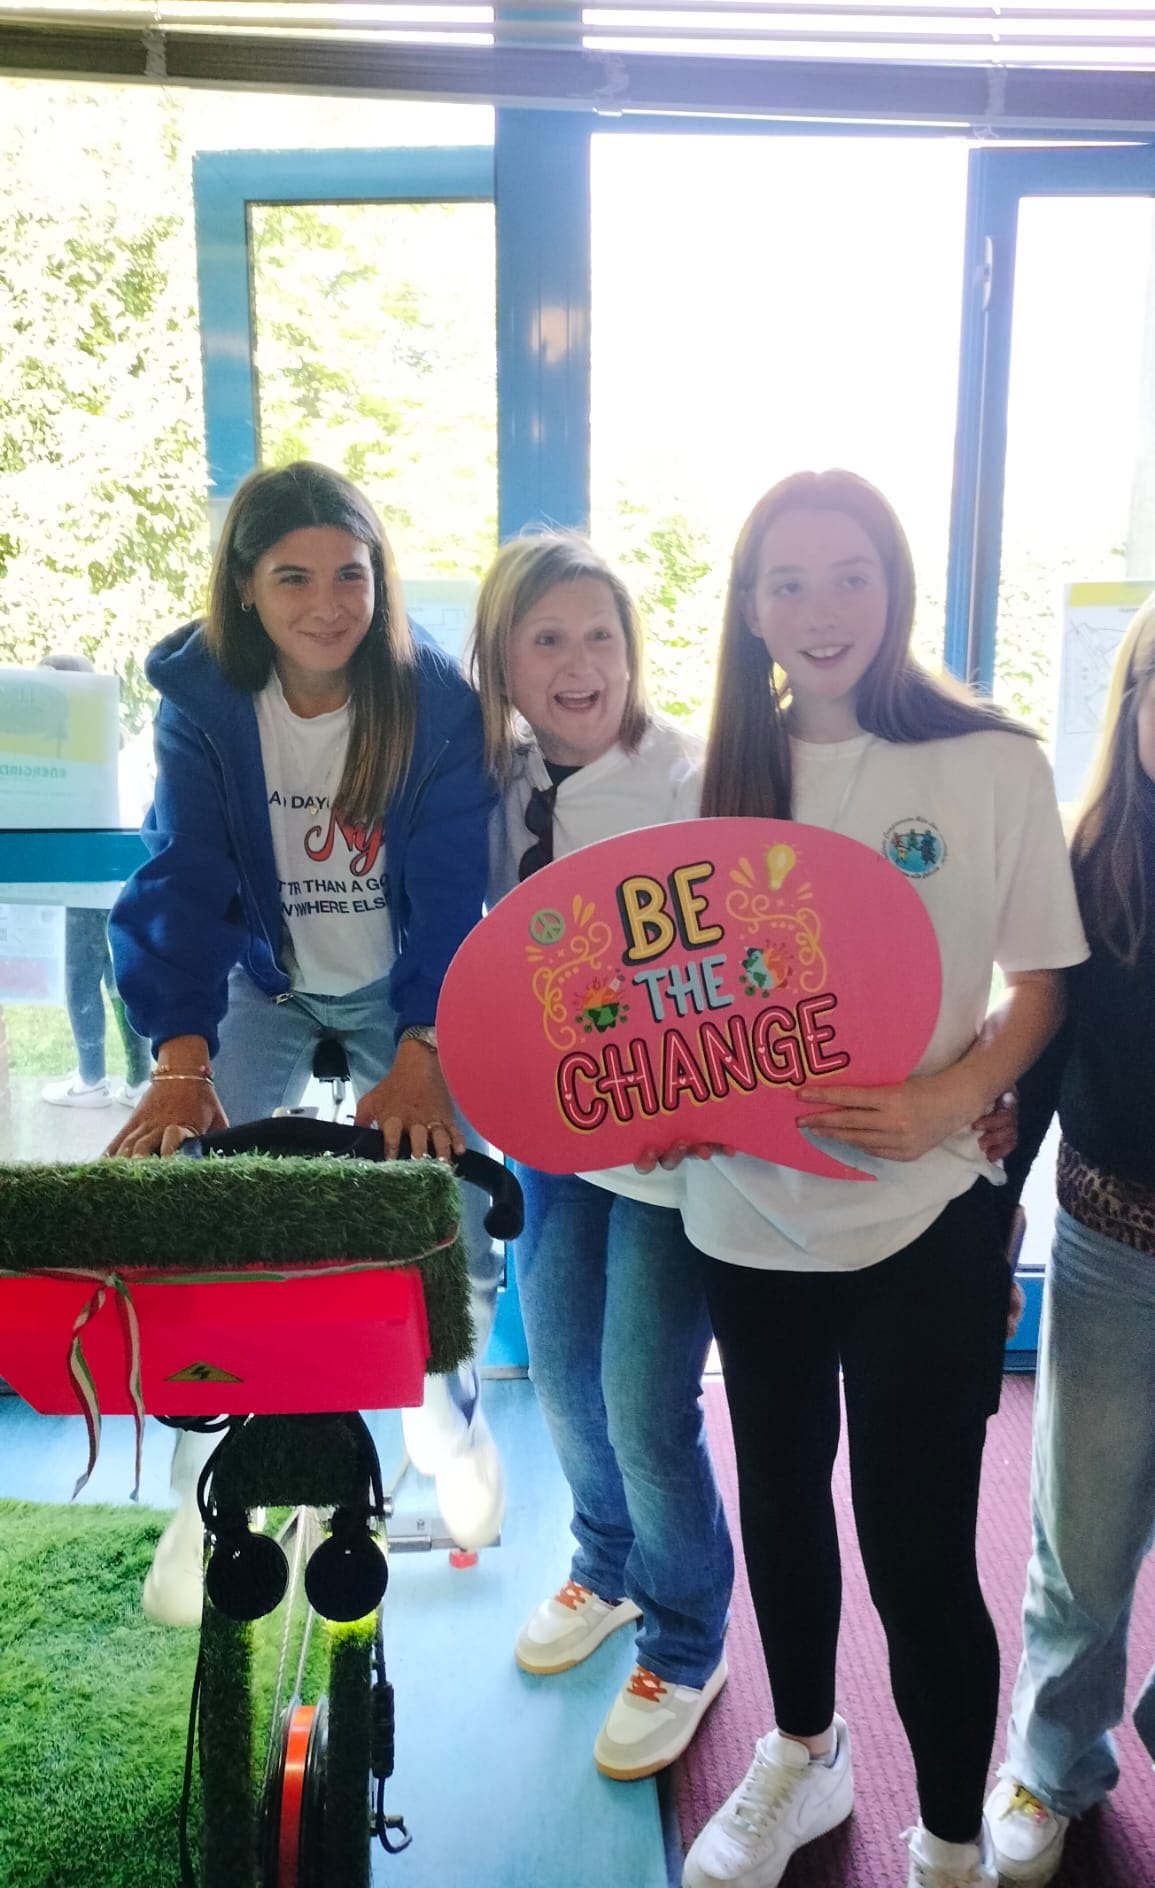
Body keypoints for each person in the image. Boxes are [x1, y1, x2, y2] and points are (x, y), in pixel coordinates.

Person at [669, 470, 1087, 1888]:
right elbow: (651, 1002)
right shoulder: (703, 779)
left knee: (917, 1549)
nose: (819, 607)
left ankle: (952, 1843)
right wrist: (662, 1107)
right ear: (748, 609)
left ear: (895, 586)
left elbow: (1043, 980)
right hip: (743, 1215)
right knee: (780, 1501)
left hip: (923, 1216)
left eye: (849, 573)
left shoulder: (990, 761)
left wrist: (950, 1098)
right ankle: (804, 1751)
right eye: (784, 581)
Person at [106, 460, 501, 1621]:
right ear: (244, 585)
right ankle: (201, 1479)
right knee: (196, 1204)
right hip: (265, 981)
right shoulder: (205, 700)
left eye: (350, 575)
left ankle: (444, 1412)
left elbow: (449, 889)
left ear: (381, 577)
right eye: (293, 578)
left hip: (398, 983)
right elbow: (182, 871)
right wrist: (181, 1059)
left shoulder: (434, 703)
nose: (328, 604)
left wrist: (424, 1042)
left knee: (457, 1198)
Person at [475, 529, 735, 1780]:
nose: (579, 663)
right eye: (547, 639)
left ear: (633, 650)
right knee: (563, 1370)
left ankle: (686, 1637)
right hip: (551, 1134)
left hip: (674, 1151)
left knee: (644, 1398)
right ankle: (607, 1563)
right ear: (502, 661)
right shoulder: (493, 780)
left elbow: (747, 959)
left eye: (600, 635)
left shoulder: (691, 775)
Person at [984, 592, 1155, 1886]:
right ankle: (1051, 1763)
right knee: (1081, 1547)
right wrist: (992, 1232)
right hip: (1108, 1252)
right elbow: (1034, 1068)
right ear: (1132, 704)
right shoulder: (1091, 856)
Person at [38, 654, 151, 1111]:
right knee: (120, 977)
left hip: (85, 882)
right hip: (123, 880)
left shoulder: (70, 756)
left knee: (82, 976)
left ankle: (91, 1080)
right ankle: (138, 1079)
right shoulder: (120, 751)